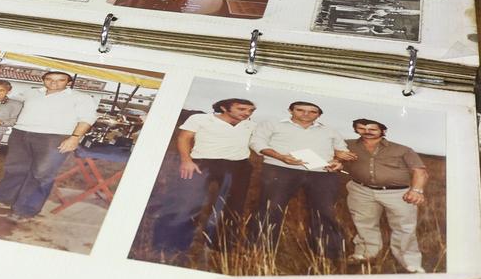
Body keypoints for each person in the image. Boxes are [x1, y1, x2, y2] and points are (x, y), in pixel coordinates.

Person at [148, 97, 256, 260]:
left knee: (232, 206)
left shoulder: (250, 125)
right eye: (241, 109)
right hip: (202, 163)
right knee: (186, 202)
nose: (247, 113)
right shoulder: (201, 119)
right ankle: (170, 245)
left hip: (238, 166)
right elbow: (184, 138)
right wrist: (186, 161)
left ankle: (220, 247)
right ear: (224, 108)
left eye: (250, 110)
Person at [0, 71, 98, 223]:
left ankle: (25, 210)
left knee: (41, 175)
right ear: (43, 80)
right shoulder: (31, 93)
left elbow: (87, 119)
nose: (54, 83)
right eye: (49, 79)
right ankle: (3, 199)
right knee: (14, 169)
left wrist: (75, 138)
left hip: (54, 138)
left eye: (60, 80)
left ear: (69, 82)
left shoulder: (81, 98)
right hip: (21, 133)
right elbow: (4, 99)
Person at [251, 100, 355, 261]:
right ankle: (260, 252)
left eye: (313, 111)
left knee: (325, 212)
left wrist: (339, 162)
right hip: (281, 169)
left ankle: (328, 255)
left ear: (319, 115)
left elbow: (342, 152)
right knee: (271, 209)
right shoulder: (273, 124)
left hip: (321, 173)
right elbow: (257, 142)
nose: (306, 114)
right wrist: (281, 157)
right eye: (300, 110)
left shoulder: (329, 131)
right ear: (290, 110)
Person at [343, 117, 429, 271]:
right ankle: (366, 254)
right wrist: (337, 160)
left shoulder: (402, 149)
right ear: (355, 129)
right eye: (361, 128)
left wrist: (416, 191)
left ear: (383, 130)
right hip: (361, 190)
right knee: (364, 223)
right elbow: (334, 158)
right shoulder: (347, 145)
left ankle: (410, 263)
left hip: (398, 193)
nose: (367, 132)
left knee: (404, 228)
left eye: (372, 129)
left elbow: (420, 171)